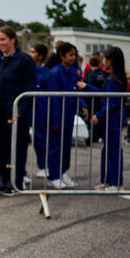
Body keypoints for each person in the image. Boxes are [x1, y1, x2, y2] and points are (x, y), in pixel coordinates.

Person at [0, 26, 38, 196]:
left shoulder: (24, 60)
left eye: (3, 39)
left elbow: (30, 87)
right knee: (1, 147)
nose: (0, 43)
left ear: (13, 40)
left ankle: (16, 182)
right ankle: (4, 180)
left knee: (17, 147)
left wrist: (22, 109)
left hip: (16, 112)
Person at [43, 41, 89, 190]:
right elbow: (54, 98)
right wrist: (55, 120)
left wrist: (82, 106)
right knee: (56, 146)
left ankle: (62, 172)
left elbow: (76, 91)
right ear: (61, 56)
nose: (73, 58)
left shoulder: (71, 71)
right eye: (70, 55)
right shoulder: (55, 73)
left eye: (75, 55)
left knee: (66, 146)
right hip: (58, 114)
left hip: (69, 114)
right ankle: (53, 176)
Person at [87, 47, 127, 190]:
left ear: (110, 60)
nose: (103, 61)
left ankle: (115, 183)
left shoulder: (113, 79)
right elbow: (104, 93)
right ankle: (108, 181)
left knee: (113, 150)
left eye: (104, 58)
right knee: (108, 149)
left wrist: (98, 114)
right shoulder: (114, 78)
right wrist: (87, 86)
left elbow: (112, 103)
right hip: (111, 118)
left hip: (113, 119)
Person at [27, 43, 50, 178]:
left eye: (33, 52)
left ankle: (43, 166)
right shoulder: (27, 69)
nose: (30, 54)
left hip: (40, 109)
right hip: (26, 107)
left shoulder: (47, 72)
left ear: (40, 56)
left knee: (40, 138)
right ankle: (22, 172)